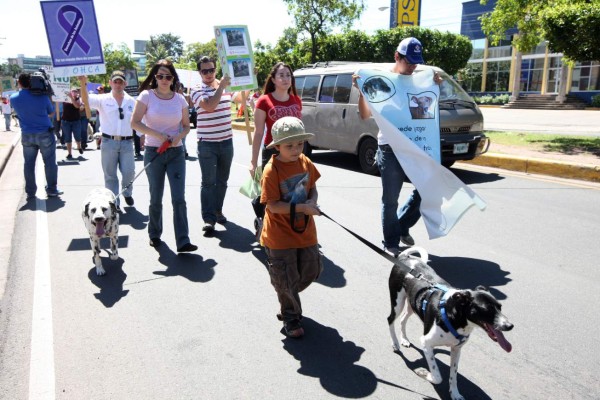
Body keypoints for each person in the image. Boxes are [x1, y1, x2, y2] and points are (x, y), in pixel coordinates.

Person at [353, 37, 443, 256]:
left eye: (416, 62)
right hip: (389, 149)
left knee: (427, 190)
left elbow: (422, 116)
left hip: (415, 147)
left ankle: (402, 225)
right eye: (409, 61)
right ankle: (391, 241)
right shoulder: (381, 81)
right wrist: (363, 91)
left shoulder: (417, 83)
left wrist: (433, 88)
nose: (413, 67)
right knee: (390, 199)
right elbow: (364, 116)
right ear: (397, 56)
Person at [260, 116, 322, 338]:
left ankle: (288, 296)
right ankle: (290, 317)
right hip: (279, 235)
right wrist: (303, 209)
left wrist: (312, 201)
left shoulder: (305, 161)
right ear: (277, 147)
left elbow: (312, 187)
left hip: (305, 231)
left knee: (311, 271)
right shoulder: (271, 170)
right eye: (289, 145)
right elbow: (273, 206)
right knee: (285, 278)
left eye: (299, 143)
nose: (296, 149)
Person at [131, 59, 197, 253]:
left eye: (168, 76)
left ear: (173, 78)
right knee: (156, 197)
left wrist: (178, 137)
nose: (164, 79)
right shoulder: (146, 96)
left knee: (179, 198)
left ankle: (183, 241)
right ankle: (154, 234)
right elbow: (134, 123)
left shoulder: (180, 99)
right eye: (160, 76)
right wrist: (159, 135)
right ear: (155, 76)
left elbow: (187, 126)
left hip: (176, 153)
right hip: (154, 152)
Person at [249, 62, 302, 239]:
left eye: (288, 75)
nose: (286, 78)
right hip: (272, 153)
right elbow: (258, 132)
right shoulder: (264, 101)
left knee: (292, 193)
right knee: (270, 193)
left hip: (294, 154)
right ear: (273, 79)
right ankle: (265, 224)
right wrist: (253, 161)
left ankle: (287, 229)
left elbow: (299, 130)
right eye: (281, 75)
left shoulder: (296, 100)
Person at [190, 56, 243, 233]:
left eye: (211, 70)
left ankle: (218, 210)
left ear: (215, 70)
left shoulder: (224, 85)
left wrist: (247, 80)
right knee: (208, 182)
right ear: (199, 72)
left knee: (222, 181)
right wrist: (221, 87)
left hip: (226, 141)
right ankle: (209, 219)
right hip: (207, 144)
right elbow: (210, 106)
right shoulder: (197, 90)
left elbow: (240, 99)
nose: (208, 74)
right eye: (204, 71)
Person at [80, 71, 136, 210]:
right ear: (110, 83)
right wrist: (83, 83)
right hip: (108, 142)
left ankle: (127, 193)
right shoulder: (102, 99)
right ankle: (114, 202)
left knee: (129, 172)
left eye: (120, 82)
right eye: (115, 81)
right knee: (110, 175)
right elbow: (85, 100)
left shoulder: (132, 101)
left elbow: (138, 120)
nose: (118, 84)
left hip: (127, 143)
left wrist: (142, 137)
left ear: (125, 84)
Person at [10, 73, 63, 199]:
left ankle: (30, 192)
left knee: (29, 164)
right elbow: (51, 113)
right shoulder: (43, 97)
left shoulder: (13, 98)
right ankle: (51, 189)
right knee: (50, 163)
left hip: (27, 134)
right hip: (45, 133)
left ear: (19, 82)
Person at [61, 89, 83, 160]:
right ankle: (69, 153)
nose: (74, 92)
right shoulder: (65, 98)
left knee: (77, 136)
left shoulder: (78, 99)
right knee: (68, 138)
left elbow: (77, 106)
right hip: (66, 121)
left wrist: (71, 98)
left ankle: (79, 147)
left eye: (75, 91)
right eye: (72, 91)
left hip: (75, 121)